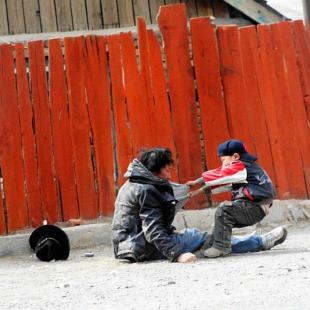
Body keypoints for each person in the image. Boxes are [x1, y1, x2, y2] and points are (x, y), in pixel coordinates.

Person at [112, 147, 287, 263]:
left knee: (197, 237)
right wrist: (177, 254)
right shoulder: (146, 190)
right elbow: (152, 230)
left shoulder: (130, 185)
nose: (168, 175)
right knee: (208, 239)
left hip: (126, 246)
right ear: (153, 171)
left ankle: (250, 240)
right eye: (166, 170)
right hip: (142, 247)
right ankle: (259, 242)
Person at [187, 139, 278, 258]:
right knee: (220, 222)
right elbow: (224, 184)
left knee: (224, 209)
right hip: (256, 208)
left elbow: (220, 175)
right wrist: (198, 191)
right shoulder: (246, 170)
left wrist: (196, 181)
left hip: (254, 207)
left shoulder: (241, 166)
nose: (222, 165)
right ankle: (207, 247)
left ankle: (221, 248)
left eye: (223, 160)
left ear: (235, 156)